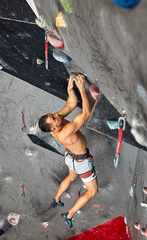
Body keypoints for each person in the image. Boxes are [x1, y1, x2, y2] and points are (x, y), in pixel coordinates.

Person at [39, 73, 99, 228]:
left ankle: (57, 198)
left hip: (70, 157)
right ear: (54, 127)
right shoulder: (64, 131)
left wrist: (70, 88)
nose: (56, 115)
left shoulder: (54, 124)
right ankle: (69, 214)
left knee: (71, 176)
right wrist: (82, 89)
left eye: (51, 114)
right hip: (81, 161)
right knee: (93, 192)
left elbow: (71, 104)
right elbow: (86, 113)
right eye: (53, 117)